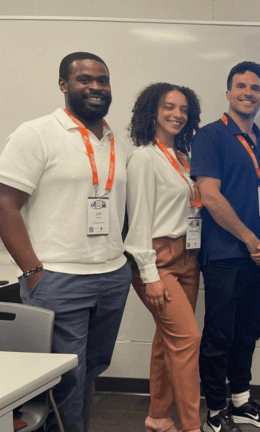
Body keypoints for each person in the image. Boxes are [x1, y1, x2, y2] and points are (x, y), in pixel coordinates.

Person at [0, 52, 131, 432]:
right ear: (63, 85)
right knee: (66, 379)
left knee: (91, 369)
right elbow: (5, 202)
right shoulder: (36, 133)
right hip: (59, 278)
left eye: (102, 80)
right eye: (84, 79)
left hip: (111, 276)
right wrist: (33, 271)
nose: (95, 87)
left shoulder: (114, 141)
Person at [190, 61, 260, 432]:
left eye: (255, 88)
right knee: (219, 337)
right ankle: (216, 412)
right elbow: (210, 196)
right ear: (229, 92)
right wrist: (249, 238)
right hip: (226, 257)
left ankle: (241, 402)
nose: (248, 93)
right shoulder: (210, 136)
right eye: (241, 86)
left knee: (248, 332)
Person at [125, 83, 203, 432]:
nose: (177, 114)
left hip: (188, 257)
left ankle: (158, 417)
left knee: (166, 341)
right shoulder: (144, 157)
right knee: (187, 339)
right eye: (169, 107)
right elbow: (139, 219)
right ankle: (191, 426)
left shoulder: (183, 158)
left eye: (184, 109)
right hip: (158, 260)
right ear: (152, 112)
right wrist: (149, 275)